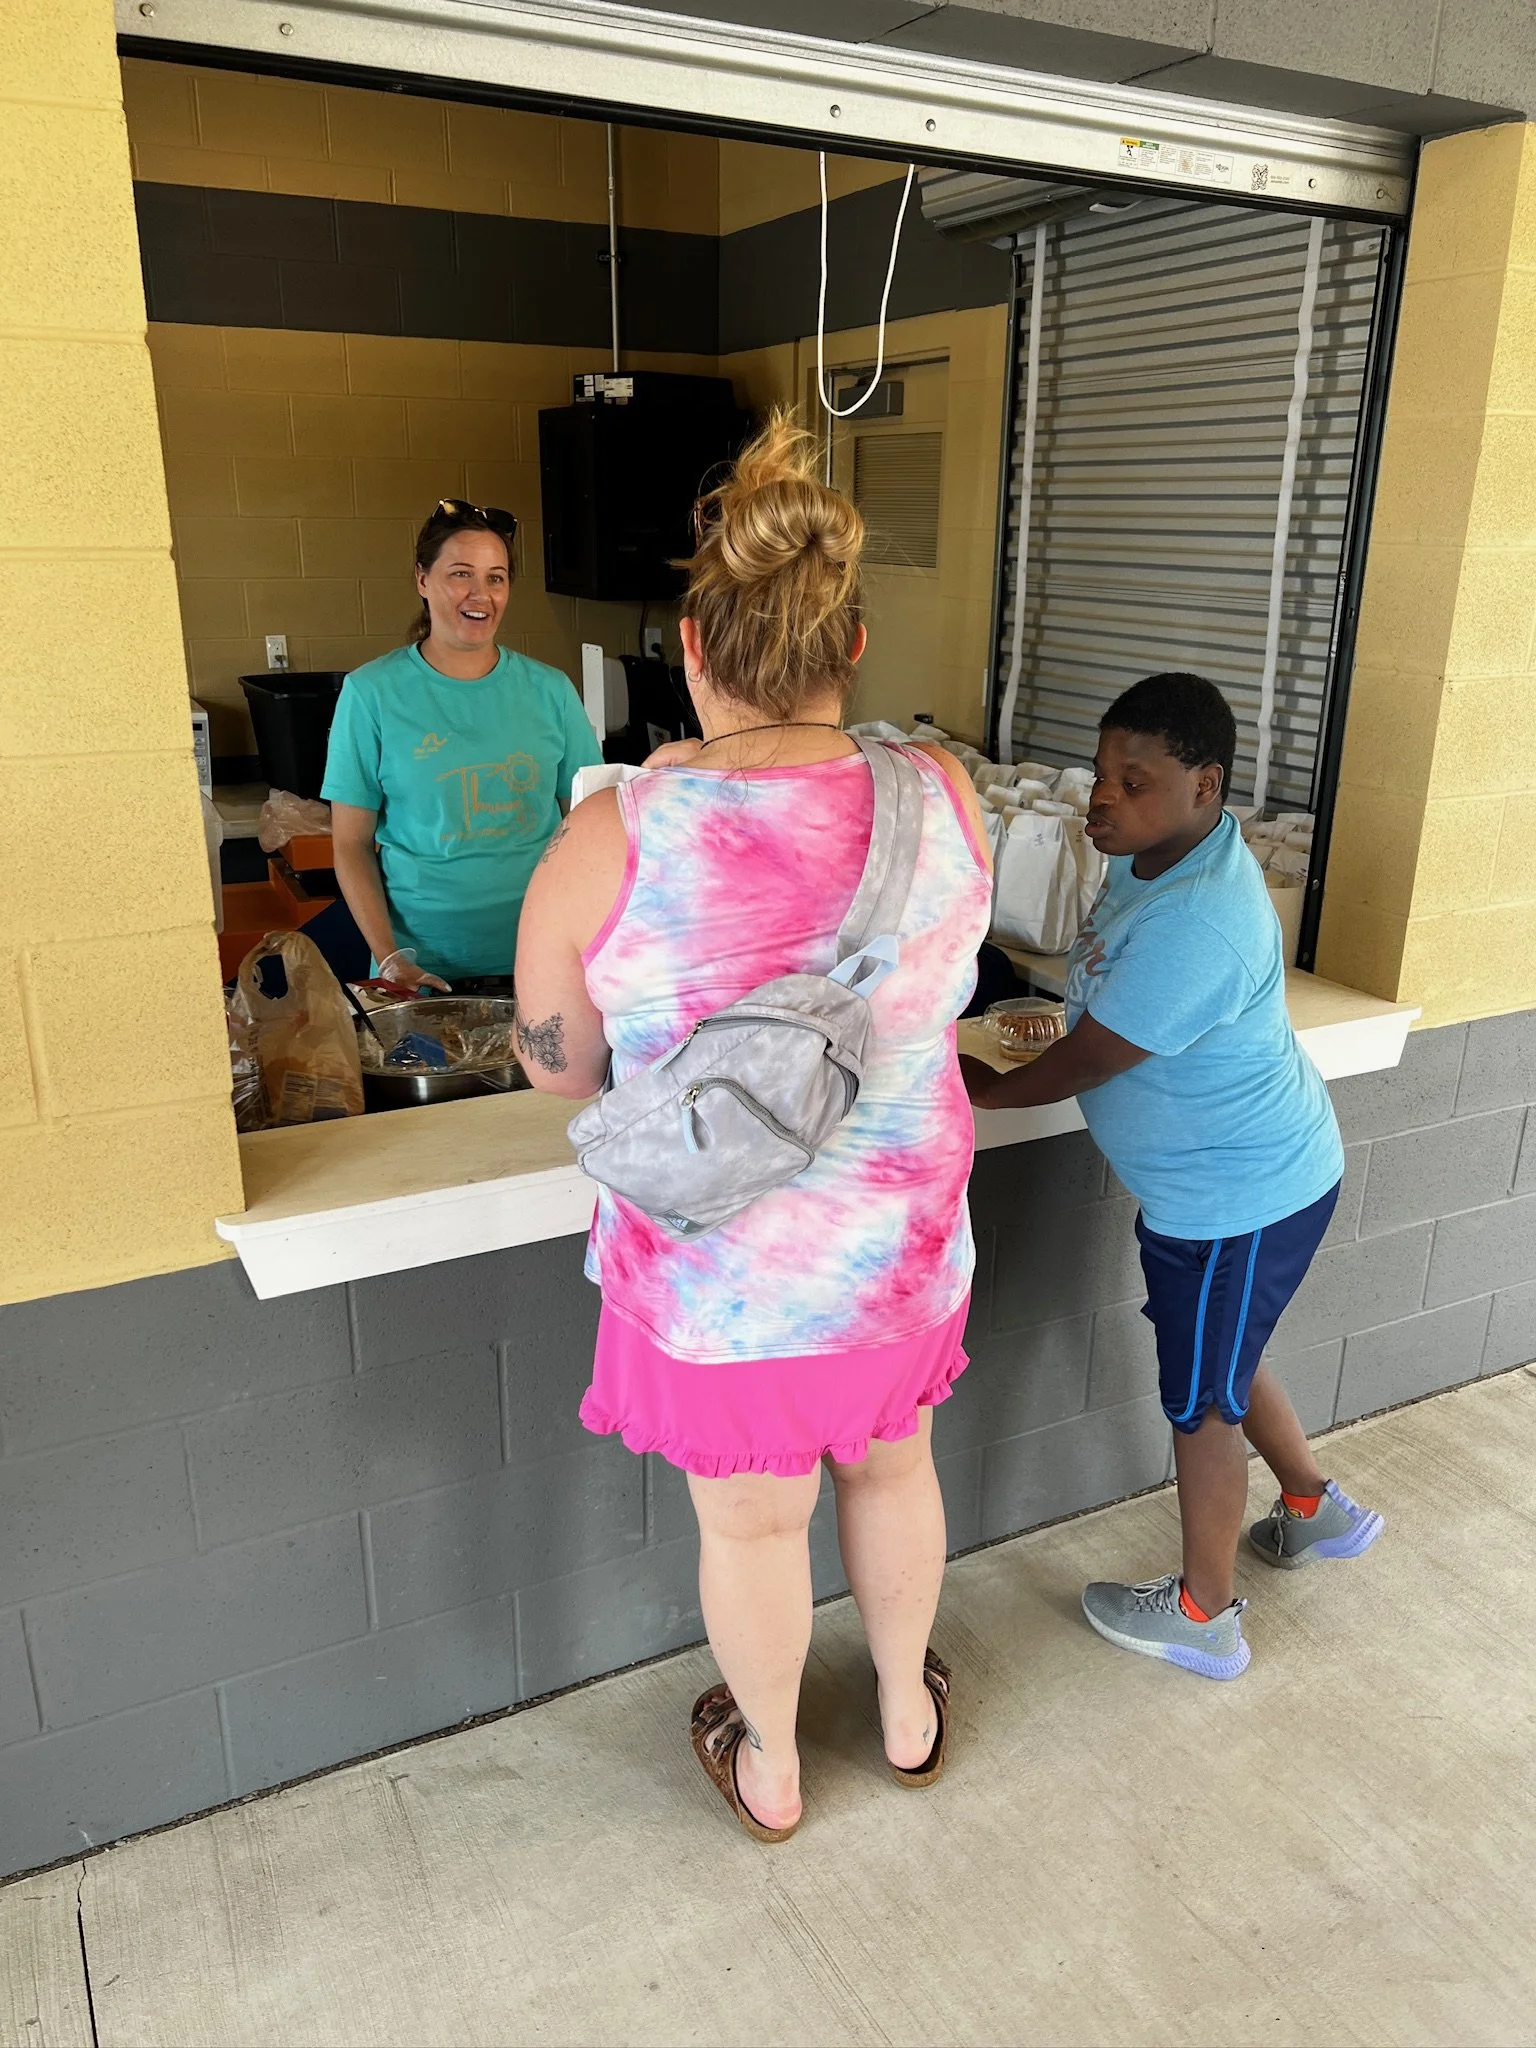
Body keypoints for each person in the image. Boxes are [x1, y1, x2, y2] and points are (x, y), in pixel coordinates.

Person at [514, 415, 993, 1839]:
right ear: (854, 645)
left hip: (722, 1278)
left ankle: (774, 1767)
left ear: (689, 649)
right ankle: (906, 1715)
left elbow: (558, 1068)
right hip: (897, 1249)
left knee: (754, 1522)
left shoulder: (613, 834)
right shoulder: (944, 796)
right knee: (895, 1468)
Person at [962, 672, 1383, 1681]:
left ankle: (1203, 1614)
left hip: (1240, 1200)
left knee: (1201, 1405)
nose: (1102, 798)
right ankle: (1316, 1509)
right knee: (1222, 1365)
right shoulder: (1158, 854)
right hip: (1223, 1193)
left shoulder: (1203, 916)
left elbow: (1094, 1058)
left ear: (1206, 784)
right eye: (1100, 773)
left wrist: (989, 1091)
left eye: (1134, 780)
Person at [322, 499, 602, 991]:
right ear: (422, 580)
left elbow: (589, 825)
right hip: (420, 970)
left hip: (545, 959)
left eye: (496, 578)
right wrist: (389, 958)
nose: (481, 594)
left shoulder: (551, 690)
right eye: (460, 574)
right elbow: (350, 844)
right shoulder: (370, 693)